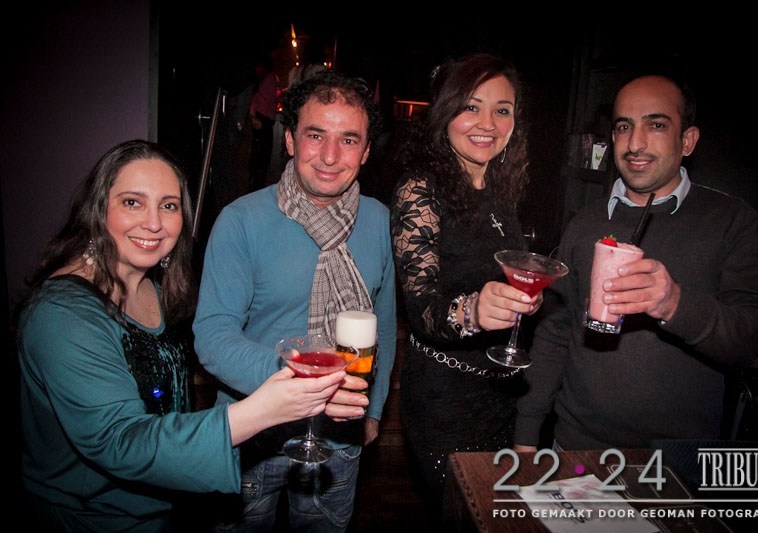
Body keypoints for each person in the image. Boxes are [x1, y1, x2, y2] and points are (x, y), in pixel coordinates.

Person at [14, 139, 350, 531]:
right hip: (91, 517)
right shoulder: (62, 314)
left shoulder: (153, 289)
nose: (154, 223)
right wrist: (261, 410)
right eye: (132, 202)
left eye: (169, 206)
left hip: (159, 504)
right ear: (97, 209)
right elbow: (120, 442)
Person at [514, 74, 758, 453]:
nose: (635, 143)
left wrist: (675, 305)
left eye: (656, 125)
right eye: (624, 127)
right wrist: (526, 437)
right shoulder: (586, 223)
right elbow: (556, 334)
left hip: (676, 463)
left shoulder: (732, 222)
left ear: (687, 140)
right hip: (575, 449)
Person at [193, 70, 396, 532]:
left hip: (339, 435)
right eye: (315, 135)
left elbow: (382, 324)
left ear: (366, 151)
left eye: (348, 140)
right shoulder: (240, 221)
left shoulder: (380, 221)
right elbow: (213, 336)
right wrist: (305, 381)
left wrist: (374, 409)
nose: (330, 156)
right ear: (289, 140)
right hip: (253, 432)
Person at [386, 52, 542, 514]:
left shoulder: (501, 189)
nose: (487, 123)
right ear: (445, 112)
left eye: (502, 110)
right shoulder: (420, 189)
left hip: (503, 395)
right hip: (445, 400)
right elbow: (422, 309)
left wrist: (525, 301)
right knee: (467, 514)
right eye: (471, 106)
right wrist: (473, 310)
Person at [248, 56, 281, 190]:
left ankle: (256, 184)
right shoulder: (267, 78)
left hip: (264, 118)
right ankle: (256, 185)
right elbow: (256, 97)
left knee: (261, 156)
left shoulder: (268, 77)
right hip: (263, 118)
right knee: (261, 156)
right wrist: (253, 116)